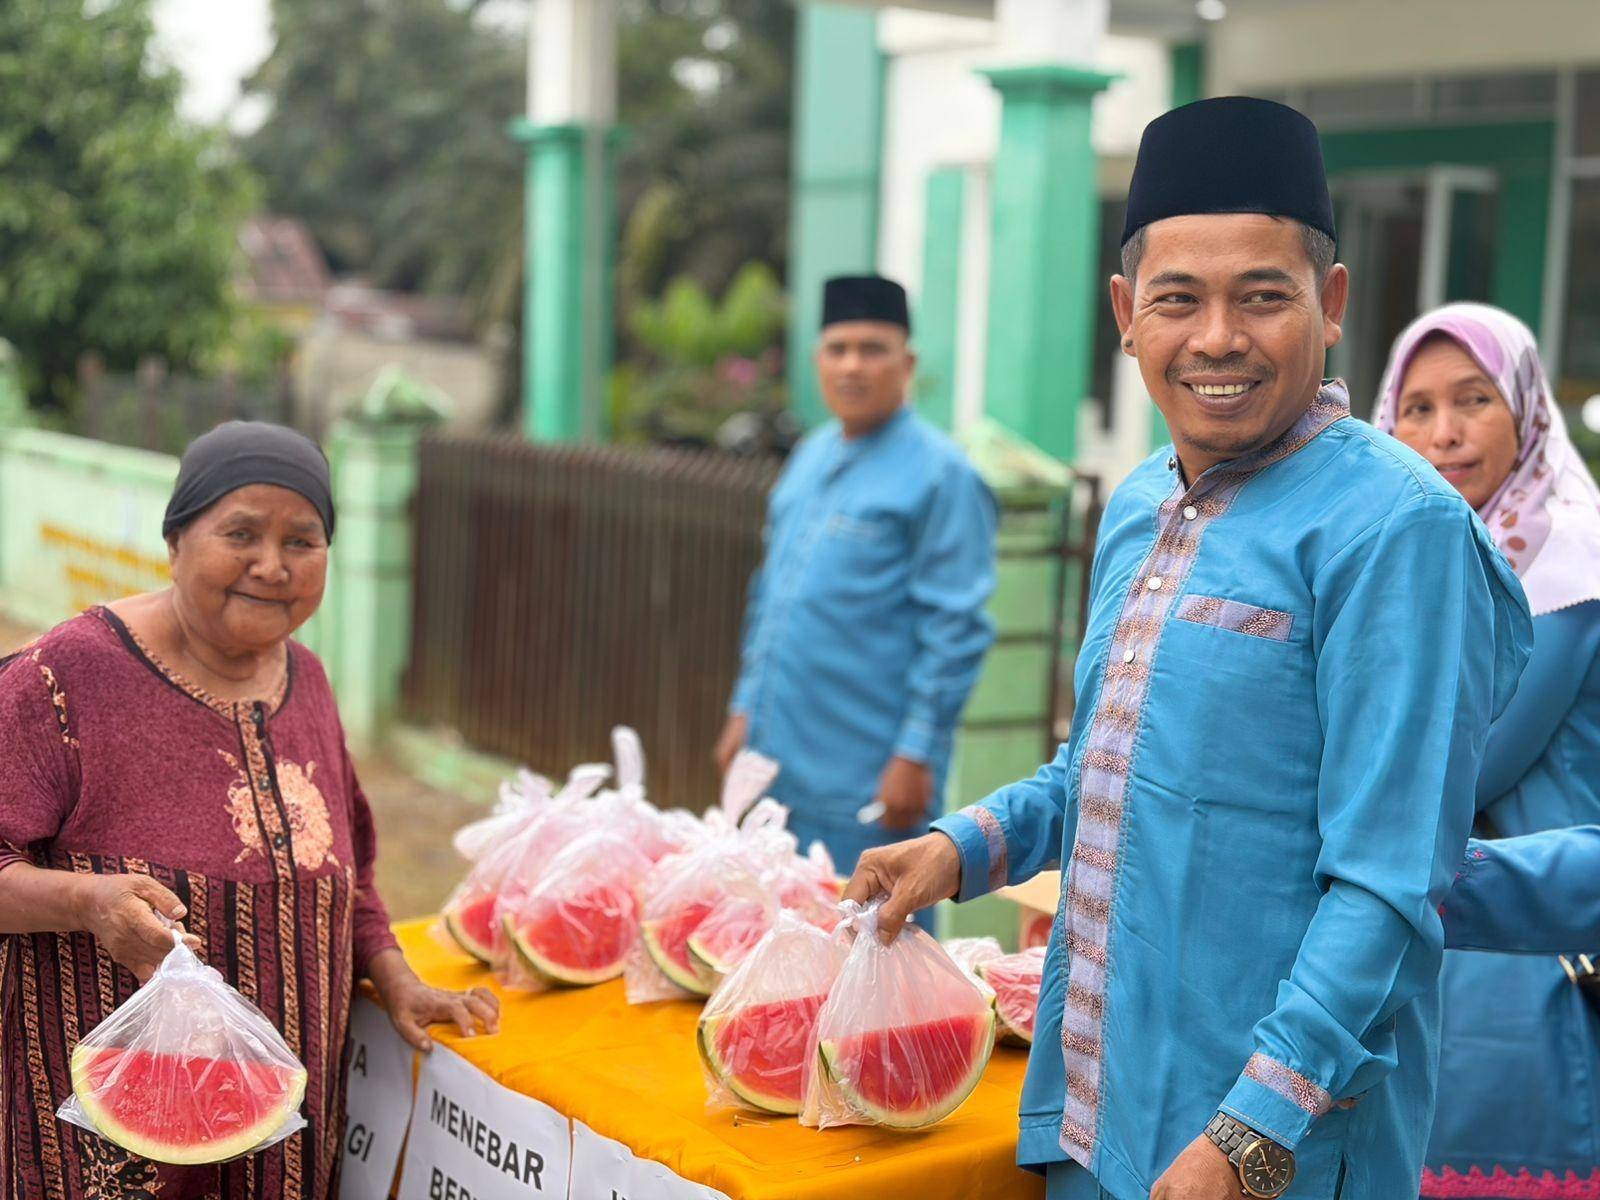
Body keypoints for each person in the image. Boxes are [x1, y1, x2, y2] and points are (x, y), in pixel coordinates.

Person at [844, 98, 1531, 1200]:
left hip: (1269, 1156)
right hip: (1095, 1110)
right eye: (1177, 299)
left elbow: (1391, 884)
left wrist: (1249, 1135)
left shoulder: (1393, 528)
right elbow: (1109, 772)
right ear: (1124, 313)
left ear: (1332, 302)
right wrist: (962, 848)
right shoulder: (1139, 506)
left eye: (1263, 296)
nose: (1216, 337)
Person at [0, 423, 498, 1199]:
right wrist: (88, 902)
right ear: (175, 541)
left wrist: (396, 978)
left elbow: (352, 879)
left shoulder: (310, 684)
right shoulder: (66, 679)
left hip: (284, 1153)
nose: (272, 566)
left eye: (303, 540)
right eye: (241, 534)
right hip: (105, 1161)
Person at [1374, 304, 1600, 1196]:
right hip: (1448, 936)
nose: (1444, 433)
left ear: (1526, 411)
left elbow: (1467, 760)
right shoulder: (1430, 555)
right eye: (1417, 408)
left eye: (1473, 400)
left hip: (1537, 952)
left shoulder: (1566, 568)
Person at [714, 274, 997, 875]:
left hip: (868, 780)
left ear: (907, 362)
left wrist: (914, 755)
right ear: (818, 360)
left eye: (872, 349)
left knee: (870, 949)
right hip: (776, 764)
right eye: (838, 349)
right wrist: (744, 710)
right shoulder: (809, 456)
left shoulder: (942, 476)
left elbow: (956, 628)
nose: (852, 366)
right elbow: (771, 596)